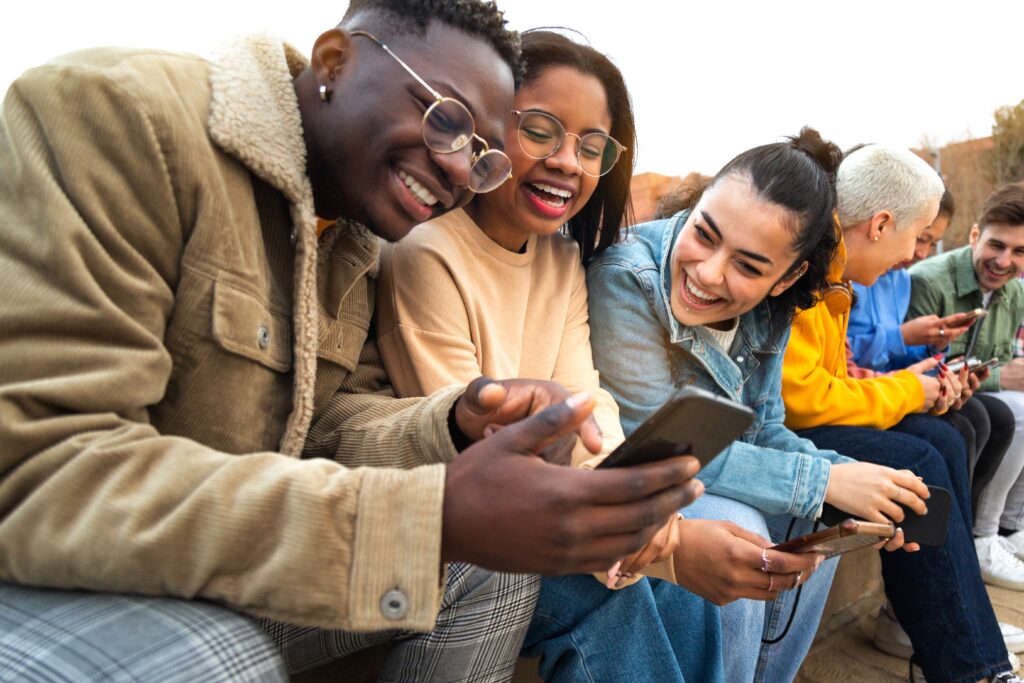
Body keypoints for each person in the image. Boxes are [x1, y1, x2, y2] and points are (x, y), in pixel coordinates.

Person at [0, 3, 702, 681]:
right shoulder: (124, 115)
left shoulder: (356, 235)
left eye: (483, 155)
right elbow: (41, 465)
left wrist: (456, 422)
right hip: (47, 571)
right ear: (335, 59)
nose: (460, 170)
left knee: (486, 567)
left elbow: (323, 423)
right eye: (446, 120)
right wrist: (428, 515)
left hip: (216, 557)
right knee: (218, 654)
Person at [376, 30, 731, 681]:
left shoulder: (562, 258)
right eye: (540, 129)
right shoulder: (425, 252)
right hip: (466, 535)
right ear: (484, 126)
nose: (568, 160)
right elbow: (476, 448)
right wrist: (635, 534)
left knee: (689, 593)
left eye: (591, 146)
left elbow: (587, 402)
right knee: (609, 602)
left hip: (559, 509)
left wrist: (645, 516)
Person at [581, 128, 919, 683]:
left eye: (749, 266)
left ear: (787, 278)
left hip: (694, 475)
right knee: (747, 528)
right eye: (704, 234)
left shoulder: (775, 309)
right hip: (639, 486)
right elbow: (656, 447)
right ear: (695, 206)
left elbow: (765, 430)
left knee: (820, 519)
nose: (709, 272)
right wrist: (820, 481)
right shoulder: (628, 280)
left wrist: (852, 480)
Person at [781, 144, 1018, 682]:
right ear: (881, 224)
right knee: (919, 461)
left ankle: (951, 625)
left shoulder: (837, 274)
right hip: (781, 436)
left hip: (812, 417)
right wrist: (912, 389)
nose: (915, 255)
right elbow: (802, 401)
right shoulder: (813, 269)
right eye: (918, 237)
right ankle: (967, 665)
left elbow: (833, 381)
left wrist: (919, 386)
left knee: (945, 438)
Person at [848, 188, 1015, 509]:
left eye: (929, 242)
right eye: (919, 238)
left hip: (893, 383)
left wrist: (934, 350)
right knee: (956, 431)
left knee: (989, 416)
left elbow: (900, 358)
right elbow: (848, 360)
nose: (921, 252)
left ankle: (974, 528)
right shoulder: (861, 275)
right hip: (873, 391)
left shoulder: (900, 279)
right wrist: (904, 337)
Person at [907, 182, 1024, 593]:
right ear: (975, 235)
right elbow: (910, 361)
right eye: (997, 245)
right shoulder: (928, 281)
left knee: (1003, 413)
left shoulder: (1015, 292)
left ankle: (1007, 529)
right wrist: (1001, 377)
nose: (1004, 261)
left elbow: (1001, 356)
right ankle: (980, 538)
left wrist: (1001, 374)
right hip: (925, 396)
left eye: (1020, 252)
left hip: (968, 395)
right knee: (1006, 413)